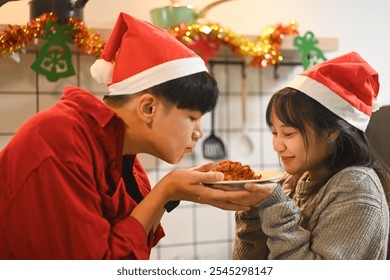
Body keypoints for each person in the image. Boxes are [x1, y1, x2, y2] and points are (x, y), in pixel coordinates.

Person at [0, 12, 252, 260]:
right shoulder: (57, 139)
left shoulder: (123, 154)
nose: (199, 132)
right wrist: (164, 191)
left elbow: (133, 244)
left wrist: (171, 194)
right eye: (192, 117)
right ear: (148, 108)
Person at [232, 51, 390, 259]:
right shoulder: (294, 181)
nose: (277, 146)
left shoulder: (356, 186)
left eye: (288, 133)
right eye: (275, 133)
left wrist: (273, 206)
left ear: (331, 131)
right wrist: (252, 210)